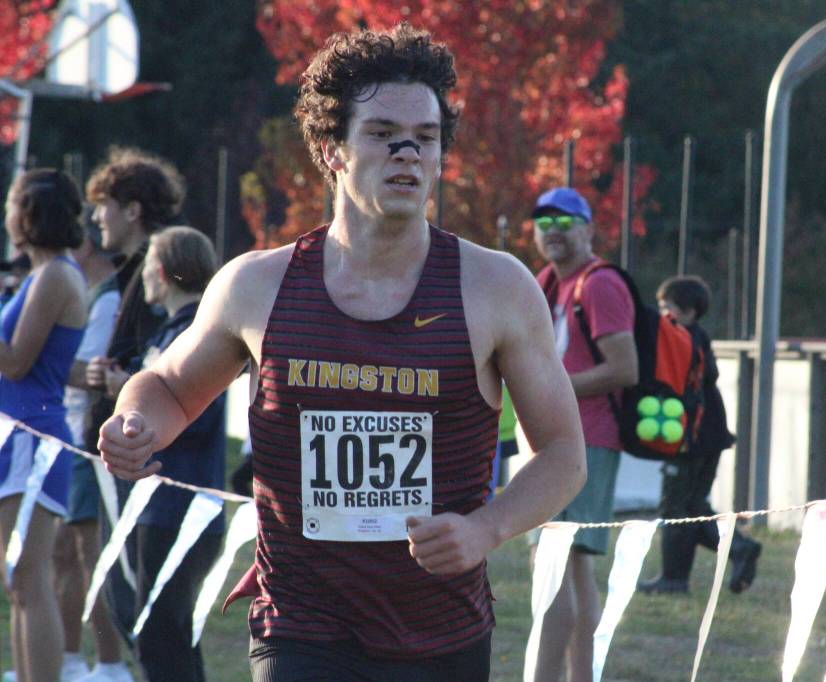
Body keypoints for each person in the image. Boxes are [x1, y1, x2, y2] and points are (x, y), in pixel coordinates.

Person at [97, 23, 586, 681]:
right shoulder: (257, 284)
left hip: (439, 634)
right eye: (383, 134)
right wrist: (136, 424)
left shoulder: (496, 288)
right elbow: (169, 388)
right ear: (332, 150)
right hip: (301, 628)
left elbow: (562, 454)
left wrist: (485, 530)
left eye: (427, 137)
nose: (408, 153)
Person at [97, 227, 224, 682]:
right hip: (160, 508)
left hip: (177, 509)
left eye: (150, 262)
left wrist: (146, 417)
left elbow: (198, 415)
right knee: (166, 638)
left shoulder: (197, 333)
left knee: (160, 639)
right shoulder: (172, 331)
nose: (144, 273)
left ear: (167, 270)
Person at [529, 186, 638, 682]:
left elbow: (625, 368)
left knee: (553, 562)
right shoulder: (546, 282)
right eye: (543, 221)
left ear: (589, 228)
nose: (553, 230)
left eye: (565, 220)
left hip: (587, 438)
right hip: (552, 438)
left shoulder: (598, 285)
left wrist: (554, 389)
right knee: (573, 567)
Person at [84, 146, 182, 642]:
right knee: (129, 610)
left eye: (104, 203)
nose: (96, 216)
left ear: (132, 209)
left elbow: (172, 355)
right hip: (125, 453)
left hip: (148, 461)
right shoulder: (127, 272)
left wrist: (126, 380)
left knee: (146, 620)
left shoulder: (165, 265)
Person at [0, 169, 88, 682]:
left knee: (30, 580)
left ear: (31, 212)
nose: (6, 215)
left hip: (35, 440)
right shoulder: (41, 275)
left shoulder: (56, 274)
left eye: (12, 204)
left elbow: (14, 362)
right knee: (19, 583)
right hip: (17, 438)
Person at [637, 275, 761, 595]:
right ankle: (686, 572)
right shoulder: (697, 337)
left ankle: (689, 572)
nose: (662, 313)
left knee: (676, 507)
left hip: (693, 434)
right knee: (692, 504)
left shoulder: (682, 340)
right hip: (710, 431)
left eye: (669, 307)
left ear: (689, 312)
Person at [53, 214, 132, 682]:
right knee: (66, 554)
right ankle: (67, 660)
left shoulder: (107, 299)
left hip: (86, 439)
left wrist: (42, 361)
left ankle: (108, 664)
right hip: (70, 435)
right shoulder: (92, 294)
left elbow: (93, 373)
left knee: (90, 554)